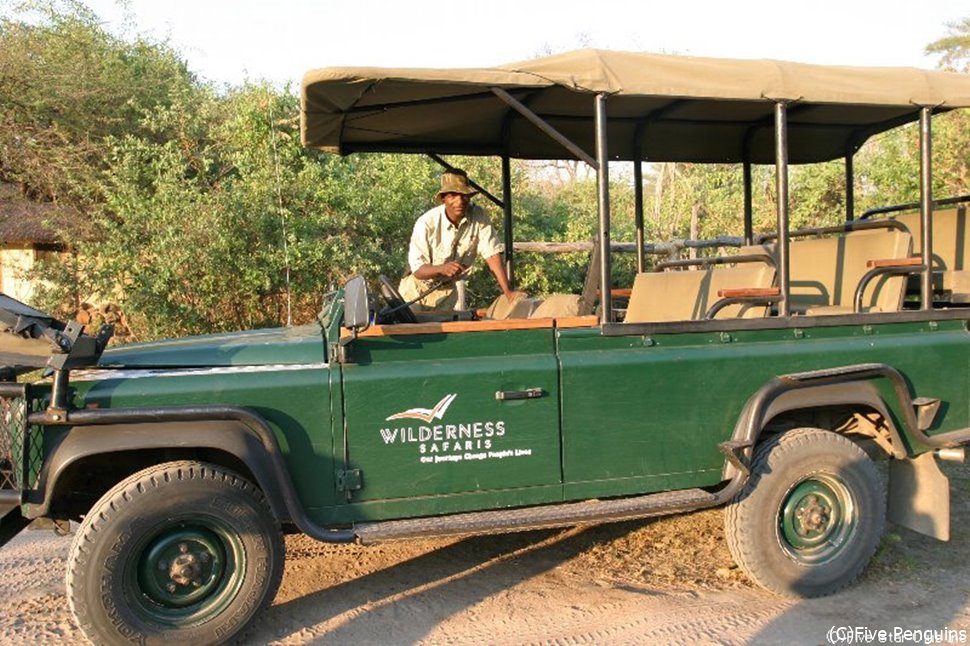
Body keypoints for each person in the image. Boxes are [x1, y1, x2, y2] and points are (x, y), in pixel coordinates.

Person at [399, 169, 523, 312]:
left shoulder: (479, 216)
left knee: (446, 330)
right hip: (416, 290)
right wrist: (442, 268)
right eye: (453, 196)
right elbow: (418, 270)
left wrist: (508, 292)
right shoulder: (426, 223)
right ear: (444, 198)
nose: (459, 201)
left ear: (469, 197)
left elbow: (492, 255)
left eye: (464, 195)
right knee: (414, 330)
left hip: (447, 291)